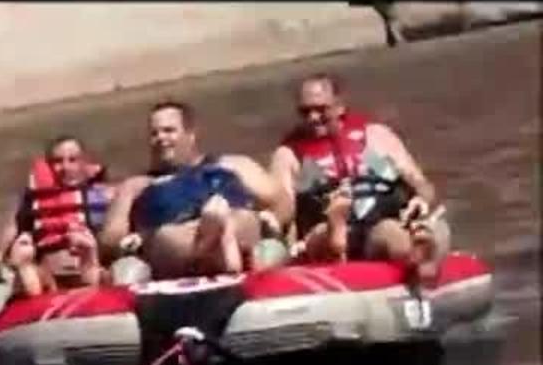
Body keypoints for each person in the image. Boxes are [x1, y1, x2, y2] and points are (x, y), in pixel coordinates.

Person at [268, 72, 447, 281]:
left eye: (321, 109)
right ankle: (337, 230)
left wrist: (421, 199)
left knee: (389, 231)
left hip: (375, 227)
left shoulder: (374, 138)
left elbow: (421, 183)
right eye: (305, 111)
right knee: (321, 234)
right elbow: (283, 208)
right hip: (320, 234)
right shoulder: (290, 154)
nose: (313, 118)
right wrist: (278, 233)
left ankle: (416, 252)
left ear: (340, 106)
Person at [99, 100, 289, 280]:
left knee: (242, 219)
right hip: (179, 246)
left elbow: (281, 202)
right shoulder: (137, 185)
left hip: (234, 228)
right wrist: (137, 237)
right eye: (154, 133)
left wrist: (272, 221)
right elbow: (110, 240)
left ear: (191, 134)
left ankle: (218, 237)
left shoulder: (232, 165)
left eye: (168, 130)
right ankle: (218, 246)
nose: (160, 138)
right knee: (167, 236)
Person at [0, 135, 113, 301]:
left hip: (89, 269)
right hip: (47, 277)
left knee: (102, 271)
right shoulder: (31, 203)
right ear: (48, 165)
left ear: (84, 163)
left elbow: (117, 231)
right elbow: (10, 232)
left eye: (72, 160)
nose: (65, 167)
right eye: (57, 161)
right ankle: (29, 299)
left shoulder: (104, 195)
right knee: (27, 267)